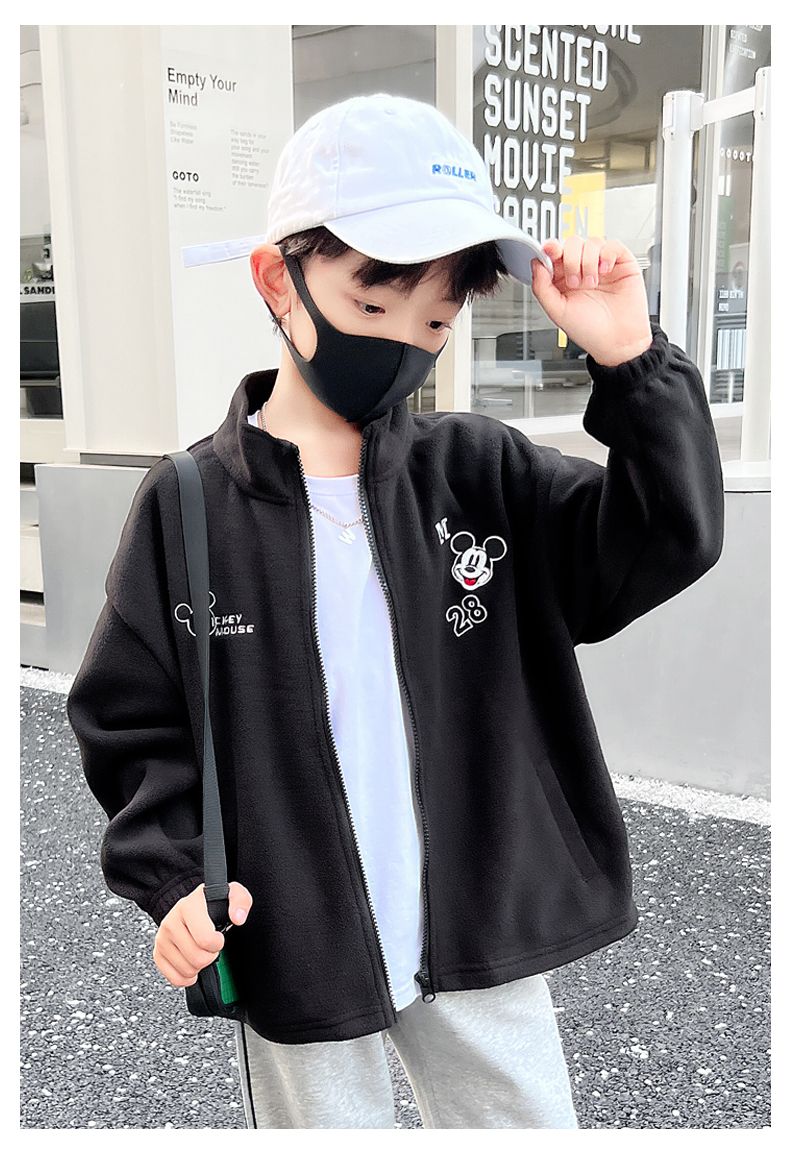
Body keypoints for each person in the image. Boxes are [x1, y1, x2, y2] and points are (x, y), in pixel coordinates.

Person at [66, 92, 725, 1129]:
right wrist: (176, 876)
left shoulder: (481, 471)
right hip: (292, 930)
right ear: (277, 279)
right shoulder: (188, 504)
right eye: (374, 308)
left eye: (435, 321)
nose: (405, 344)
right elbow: (130, 718)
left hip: (476, 912)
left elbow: (666, 535)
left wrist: (630, 363)